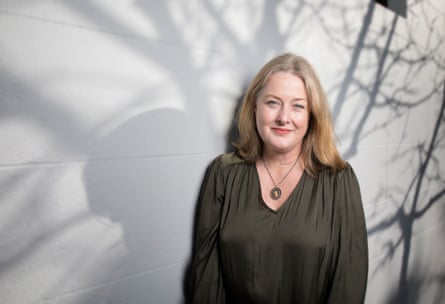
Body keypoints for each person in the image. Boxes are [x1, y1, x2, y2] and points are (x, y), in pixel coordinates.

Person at [189, 53, 368, 303]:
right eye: (273, 102)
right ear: (255, 106)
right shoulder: (223, 174)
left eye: (298, 106)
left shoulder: (338, 180)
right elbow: (206, 278)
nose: (284, 117)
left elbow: (349, 283)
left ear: (311, 115)